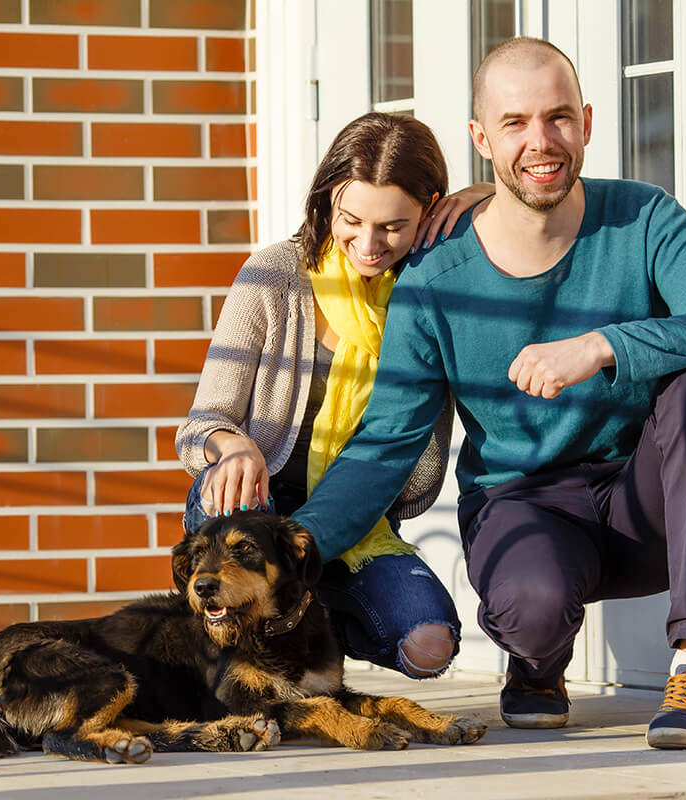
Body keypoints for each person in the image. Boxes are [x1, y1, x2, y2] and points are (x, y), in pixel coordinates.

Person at [290, 37, 686, 750]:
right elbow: (388, 441)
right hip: (522, 505)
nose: (540, 142)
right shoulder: (435, 277)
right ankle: (537, 662)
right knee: (536, 607)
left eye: (558, 118)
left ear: (587, 120)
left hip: (648, 504)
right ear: (483, 139)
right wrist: (293, 545)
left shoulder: (643, 218)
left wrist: (605, 345)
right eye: (515, 123)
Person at [176, 112, 492, 680]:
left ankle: (312, 611)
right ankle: (237, 642)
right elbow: (202, 422)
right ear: (327, 204)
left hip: (355, 527)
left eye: (394, 227)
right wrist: (234, 446)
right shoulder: (274, 275)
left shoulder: (432, 289)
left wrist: (488, 200)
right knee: (230, 496)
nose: (368, 246)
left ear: (430, 212)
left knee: (430, 646)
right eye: (352, 221)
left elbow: (534, 218)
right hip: (252, 512)